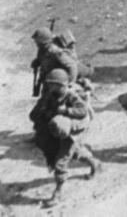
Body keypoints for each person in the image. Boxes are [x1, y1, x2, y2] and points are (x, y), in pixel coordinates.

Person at [29, 68, 97, 205]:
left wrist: (66, 110)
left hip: (71, 131)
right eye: (50, 84)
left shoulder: (71, 96)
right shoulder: (51, 95)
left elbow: (82, 111)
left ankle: (58, 193)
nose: (50, 86)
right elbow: (40, 111)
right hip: (58, 130)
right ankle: (94, 164)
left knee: (61, 162)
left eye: (53, 84)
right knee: (75, 153)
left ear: (62, 85)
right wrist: (46, 112)